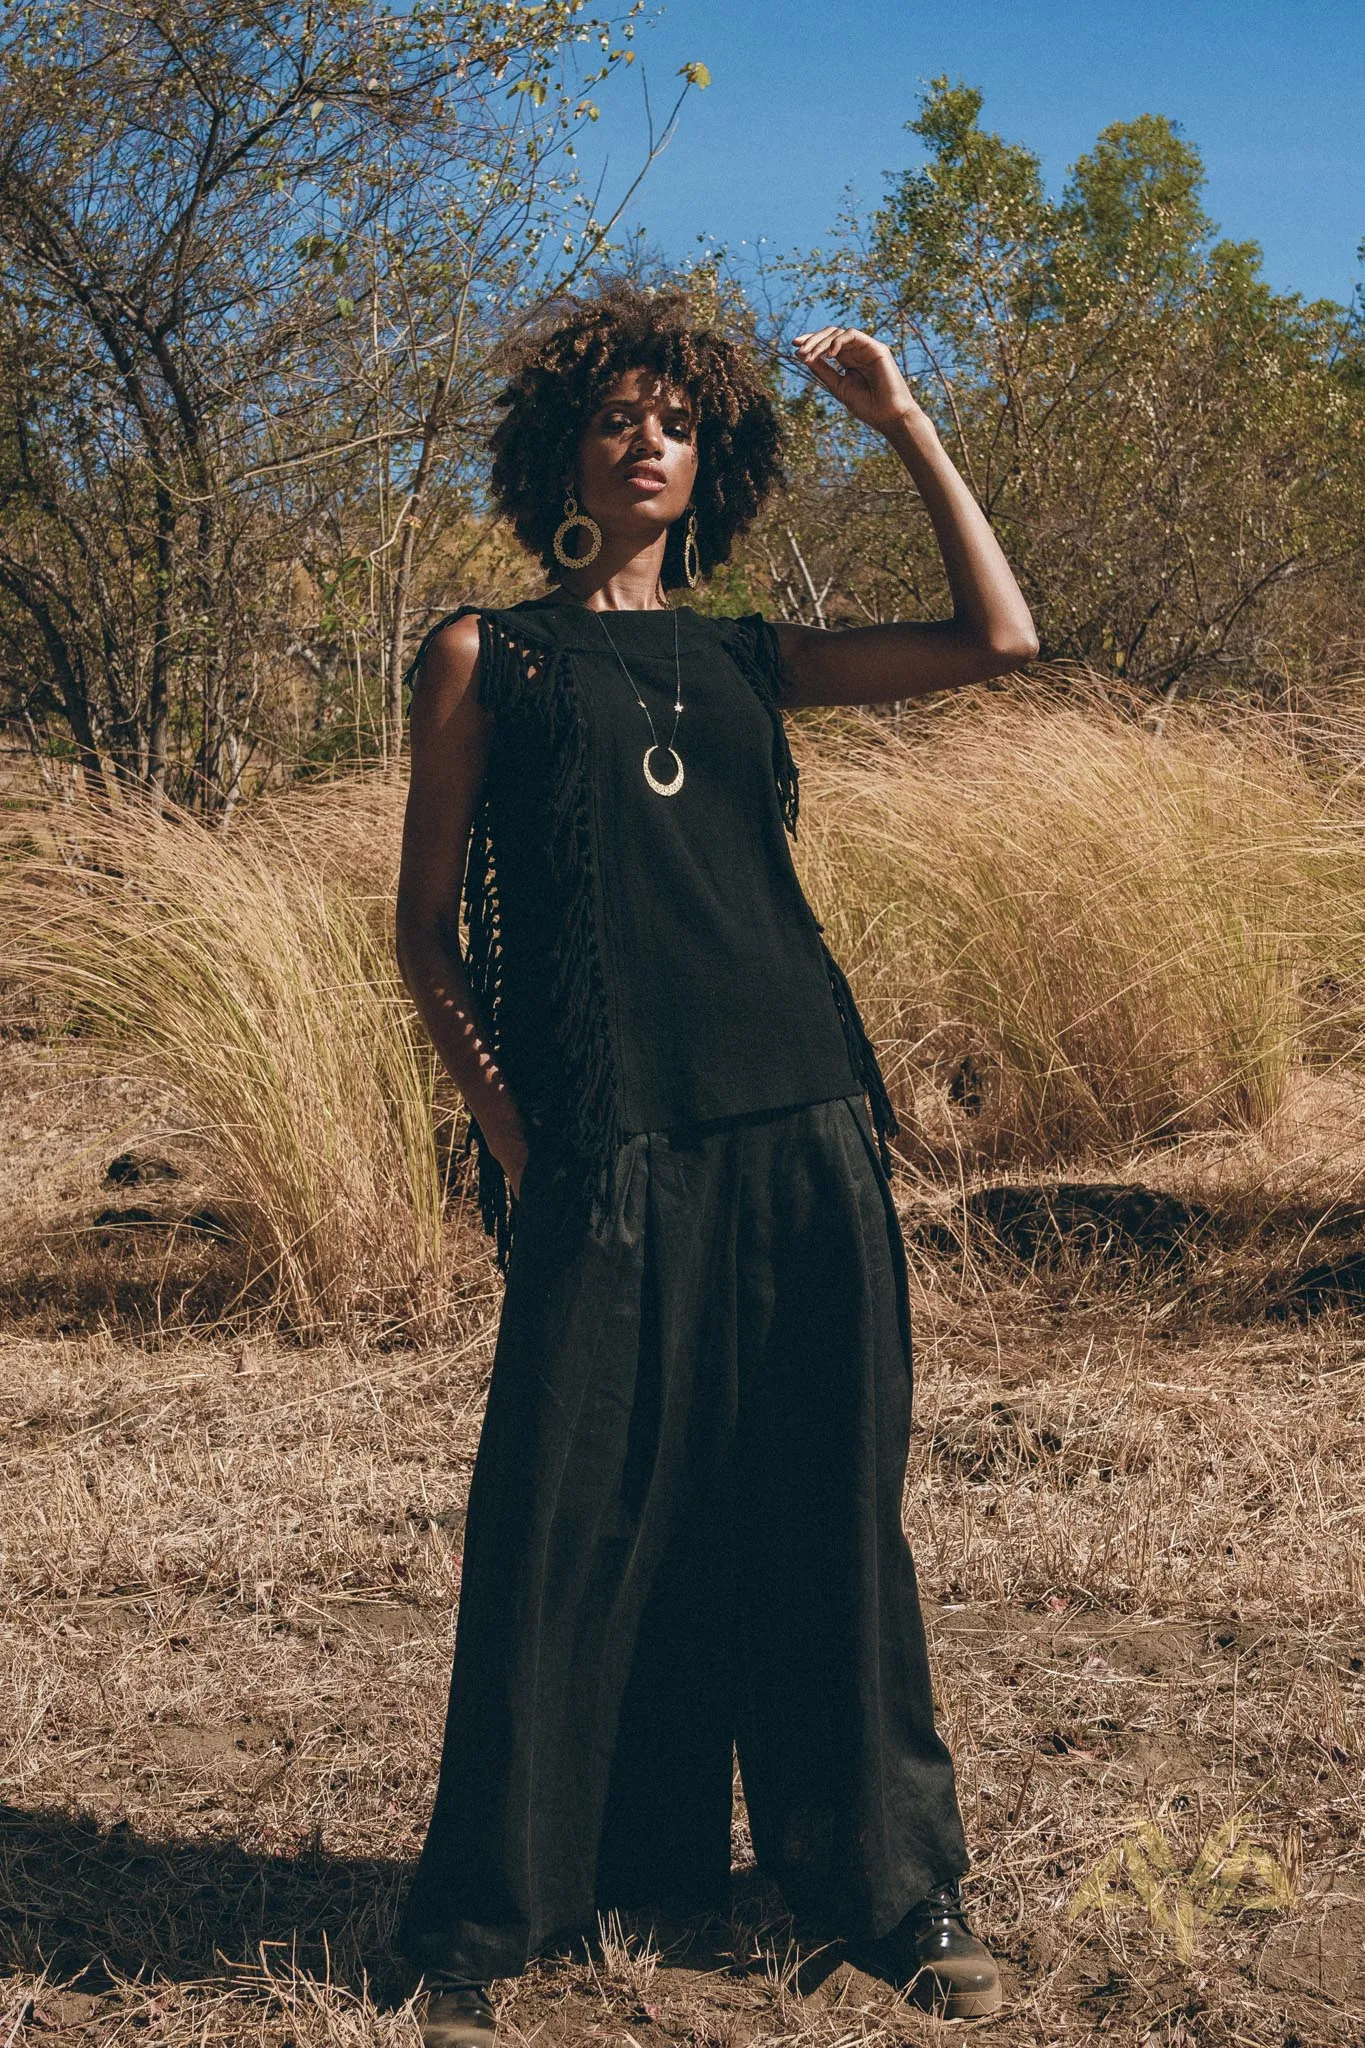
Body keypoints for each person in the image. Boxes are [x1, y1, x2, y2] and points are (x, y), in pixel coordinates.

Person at [393, 282, 1038, 2046]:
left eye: (677, 419)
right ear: (564, 450)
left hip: (807, 1124)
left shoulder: (750, 655)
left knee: (830, 1519)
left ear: (715, 457)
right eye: (617, 415)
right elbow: (428, 939)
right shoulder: (488, 652)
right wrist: (516, 1135)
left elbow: (1003, 640)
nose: (647, 439)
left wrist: (903, 422)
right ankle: (503, 1918)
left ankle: (893, 1897)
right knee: (562, 1520)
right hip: (609, 1147)